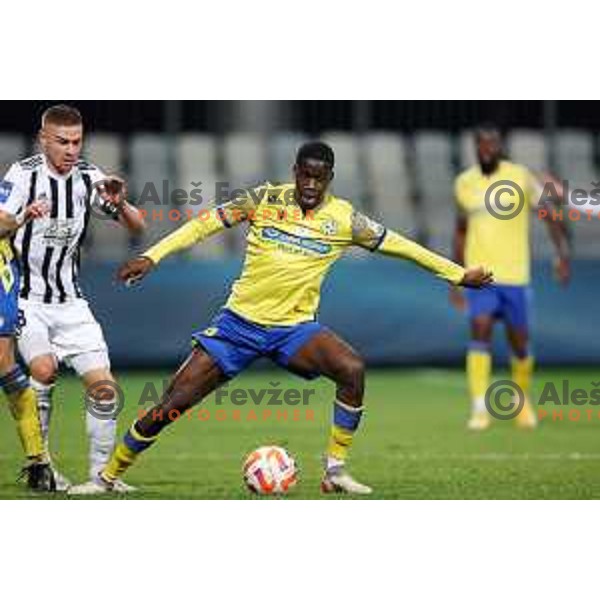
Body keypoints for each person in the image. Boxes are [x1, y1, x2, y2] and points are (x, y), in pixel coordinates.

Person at [70, 141, 492, 495]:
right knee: (173, 405)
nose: (310, 184)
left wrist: (458, 274)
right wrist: (152, 255)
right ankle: (109, 476)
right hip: (238, 326)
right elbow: (202, 226)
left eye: (319, 177)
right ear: (294, 172)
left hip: (294, 329)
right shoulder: (263, 199)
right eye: (304, 175)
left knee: (351, 368)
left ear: (329, 178)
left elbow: (404, 247)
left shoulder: (345, 219)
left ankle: (335, 471)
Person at [3, 104, 145, 490]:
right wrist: (20, 217)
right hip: (27, 299)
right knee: (44, 369)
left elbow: (136, 227)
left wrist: (121, 203)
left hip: (71, 302)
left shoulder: (88, 176)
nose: (70, 150)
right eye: (62, 142)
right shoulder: (24, 174)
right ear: (43, 139)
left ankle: (101, 478)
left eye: (77, 142)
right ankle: (41, 467)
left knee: (105, 390)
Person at [451, 125, 570, 431]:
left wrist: (561, 255)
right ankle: (479, 408)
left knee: (519, 345)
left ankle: (521, 402)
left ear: (500, 147)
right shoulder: (464, 183)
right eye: (482, 144)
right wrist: (455, 276)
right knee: (480, 330)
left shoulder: (519, 176)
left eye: (493, 144)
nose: (487, 149)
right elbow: (461, 230)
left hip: (516, 275)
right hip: (481, 276)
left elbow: (547, 212)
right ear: (475, 147)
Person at [0, 165, 55, 490]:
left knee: (3, 363)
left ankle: (37, 459)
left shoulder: (11, 184)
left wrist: (19, 218)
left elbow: (2, 221)